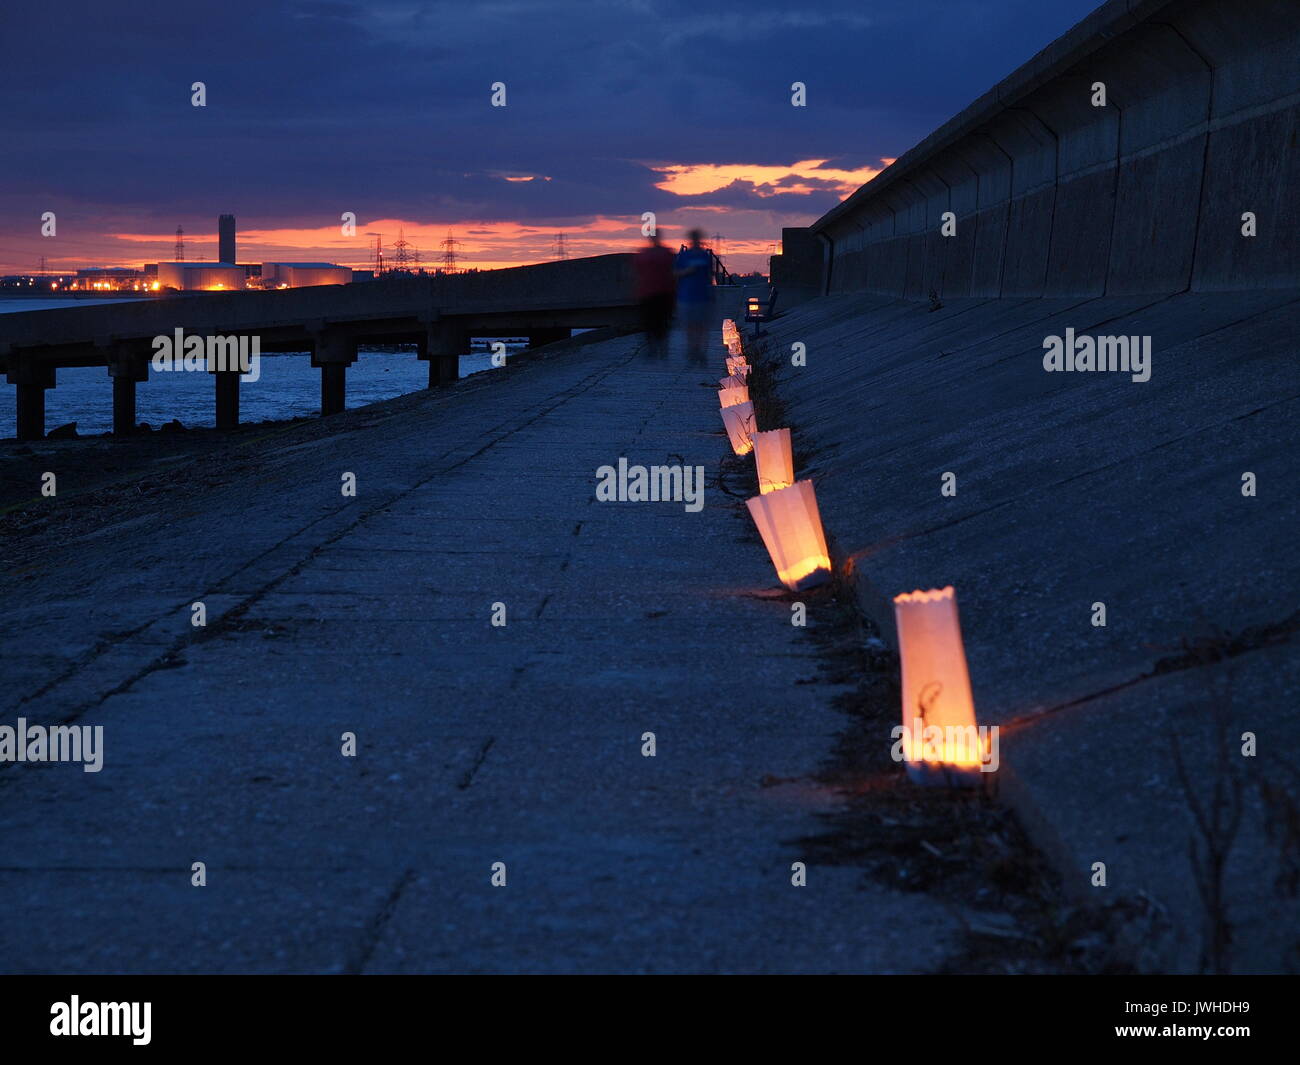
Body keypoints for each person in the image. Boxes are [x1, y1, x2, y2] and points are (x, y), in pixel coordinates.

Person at [633, 231, 676, 358]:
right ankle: (662, 349)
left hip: (649, 293)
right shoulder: (667, 253)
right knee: (662, 322)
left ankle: (653, 349)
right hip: (663, 293)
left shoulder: (643, 254)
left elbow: (637, 273)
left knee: (650, 322)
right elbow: (672, 272)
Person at [674, 229, 714, 365]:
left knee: (701, 326)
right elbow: (675, 273)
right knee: (690, 326)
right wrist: (687, 271)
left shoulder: (705, 256)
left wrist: (711, 293)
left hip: (702, 296)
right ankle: (692, 350)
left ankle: (699, 351)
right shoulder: (684, 256)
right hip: (686, 296)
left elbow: (710, 275)